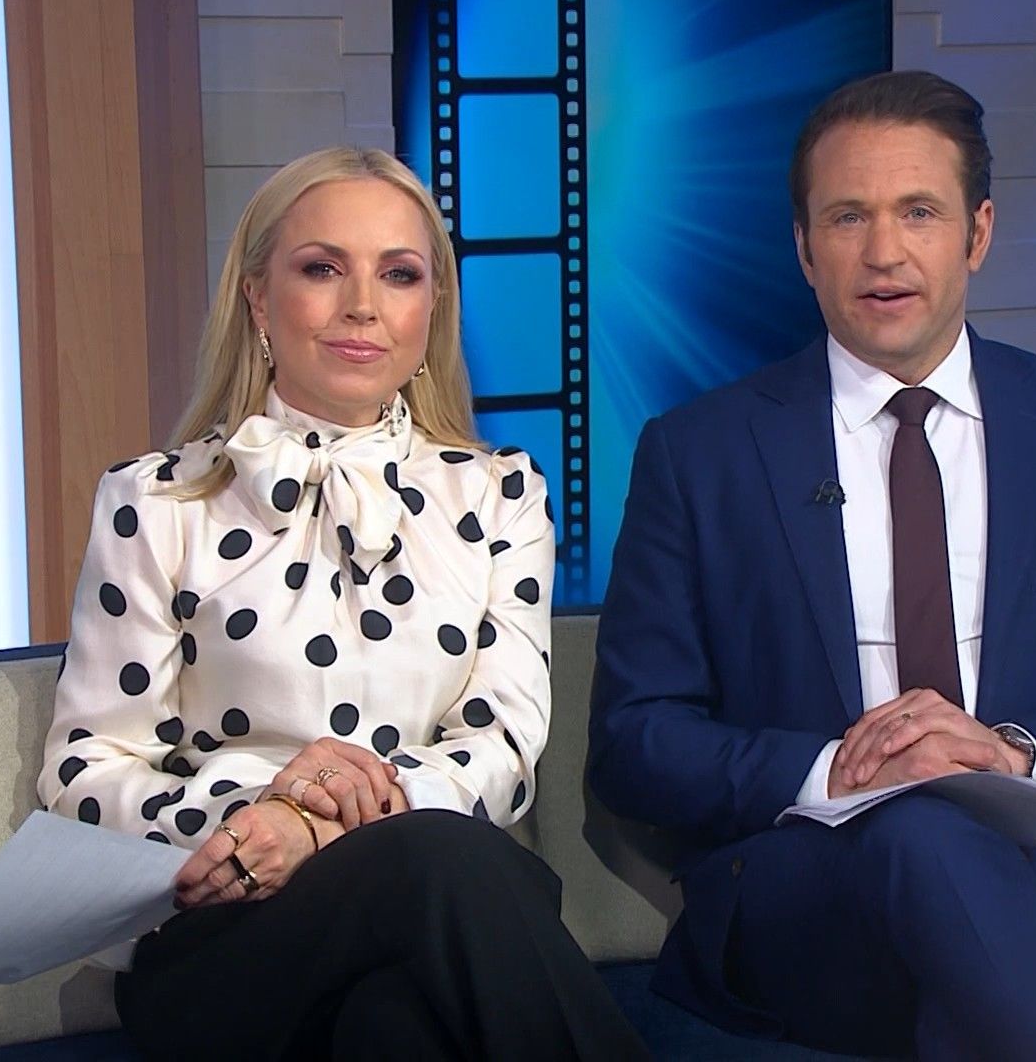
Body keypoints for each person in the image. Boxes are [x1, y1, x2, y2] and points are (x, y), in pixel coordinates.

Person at [588, 71, 1036, 1060]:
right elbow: (635, 741)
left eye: (919, 212)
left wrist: (1008, 753)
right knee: (921, 835)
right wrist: (847, 769)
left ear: (977, 234)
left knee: (976, 956)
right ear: (803, 248)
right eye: (847, 217)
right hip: (809, 877)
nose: (884, 252)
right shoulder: (699, 453)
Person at [38, 146, 645, 1061]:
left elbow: (504, 746)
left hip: (434, 909)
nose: (363, 305)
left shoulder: (500, 496)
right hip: (227, 937)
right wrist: (259, 818)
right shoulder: (155, 502)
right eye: (323, 269)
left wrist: (321, 825)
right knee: (446, 866)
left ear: (431, 307)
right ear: (258, 298)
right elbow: (85, 768)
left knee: (396, 1026)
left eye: (399, 275)